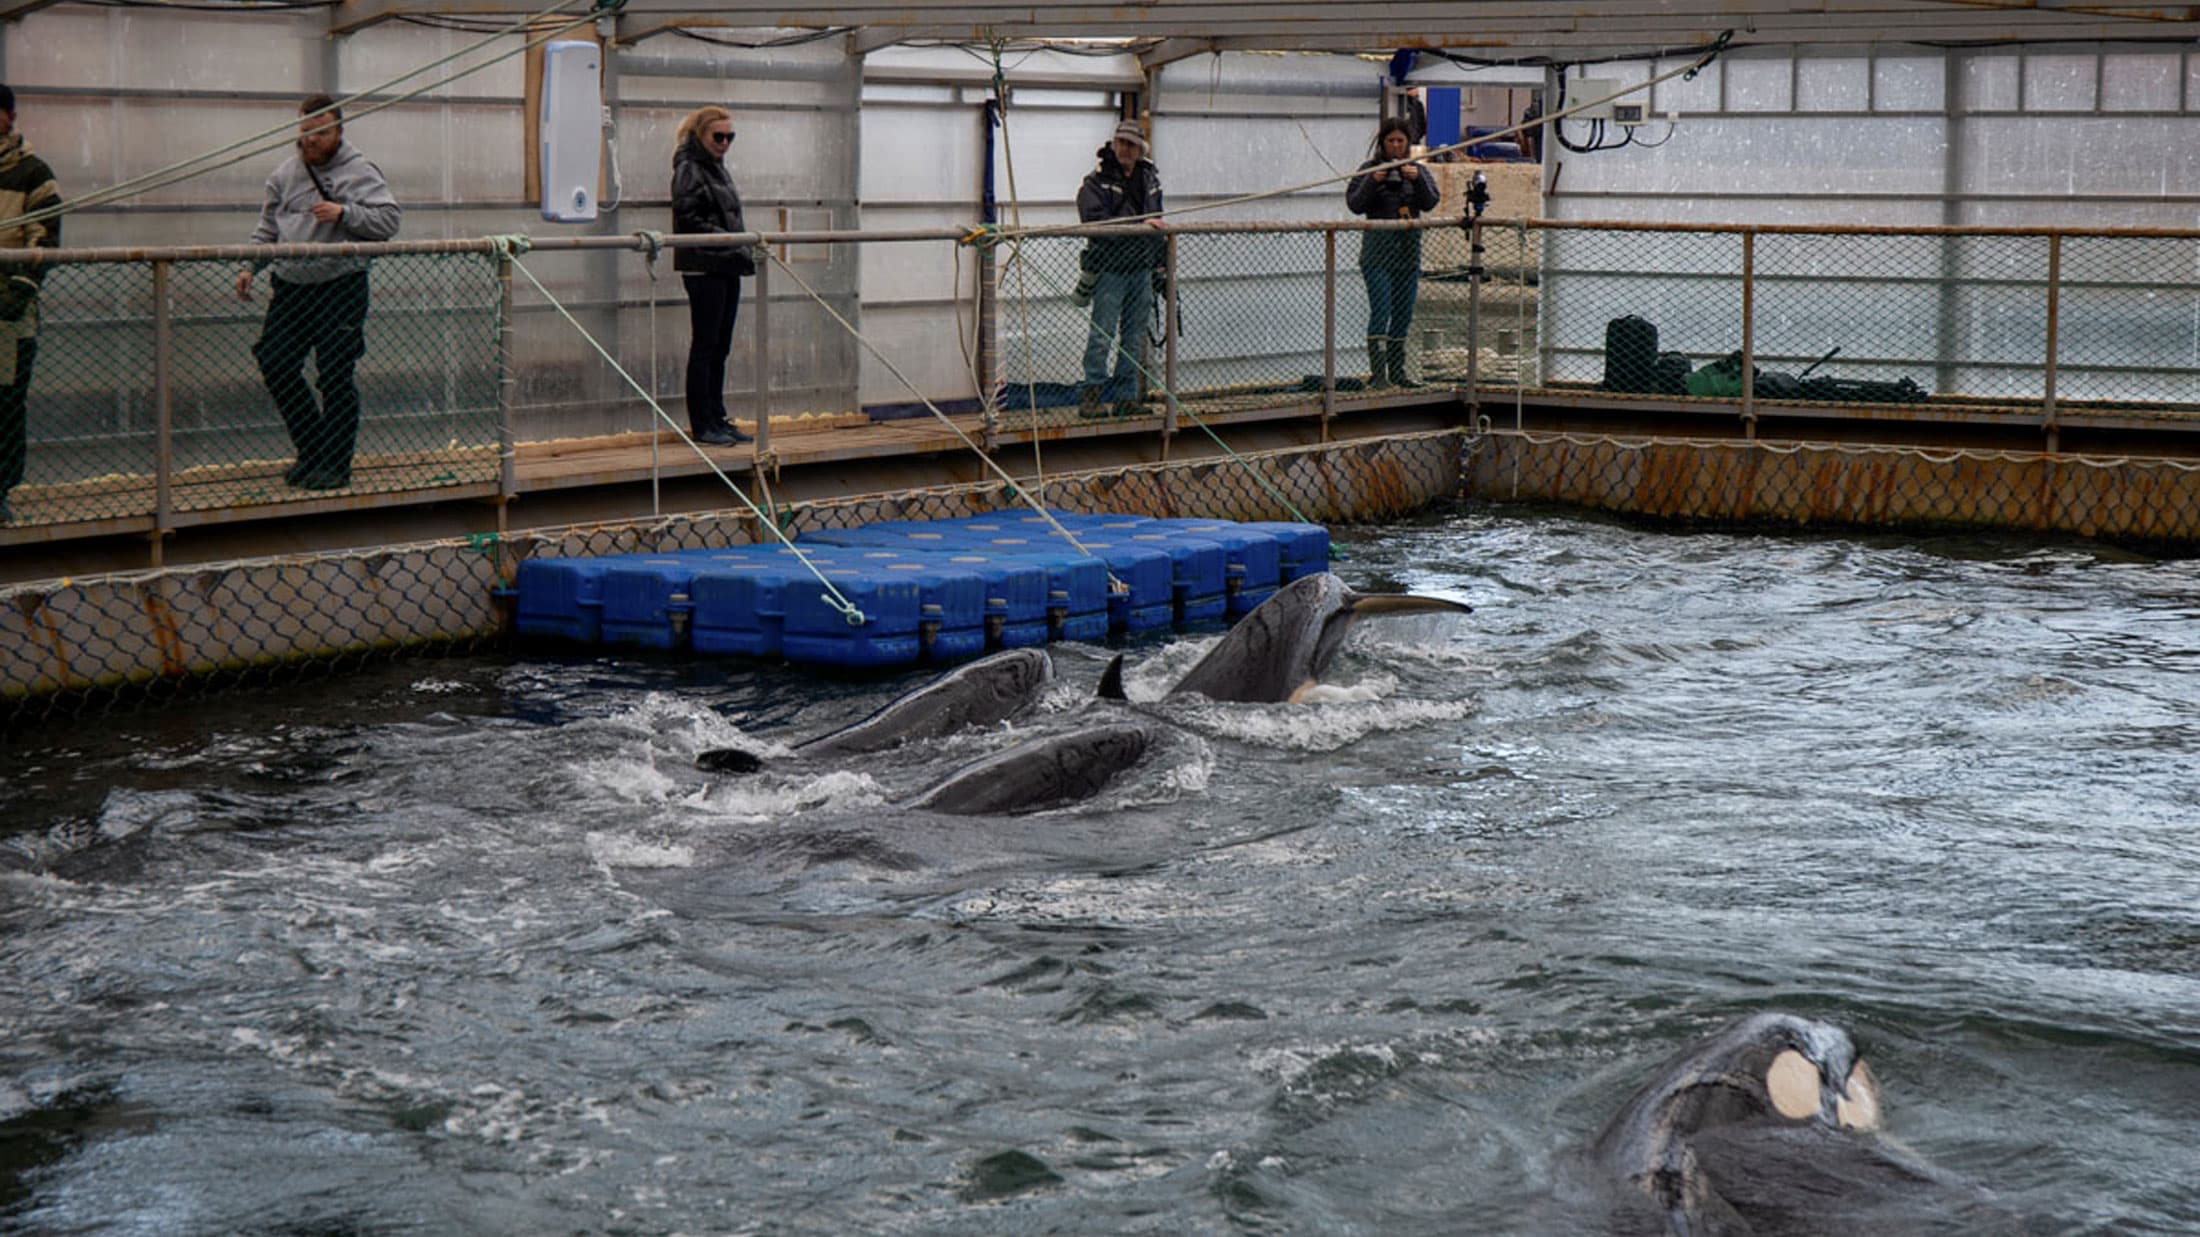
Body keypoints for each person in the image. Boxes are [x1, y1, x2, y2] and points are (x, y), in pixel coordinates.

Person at [234, 95, 401, 491]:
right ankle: (313, 451)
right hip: (291, 286)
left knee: (335, 376)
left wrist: (345, 214)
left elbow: (389, 220)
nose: (312, 139)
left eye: (321, 132)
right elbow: (268, 230)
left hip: (340, 285)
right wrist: (249, 266)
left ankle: (334, 465)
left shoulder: (360, 172)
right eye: (306, 132)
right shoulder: (283, 175)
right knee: (275, 362)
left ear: (339, 132)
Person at [671, 105, 754, 447]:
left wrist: (735, 246)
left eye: (729, 137)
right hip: (705, 265)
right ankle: (703, 423)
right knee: (706, 346)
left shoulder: (715, 168)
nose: (724, 143)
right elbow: (687, 216)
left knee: (720, 346)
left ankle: (717, 417)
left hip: (724, 262)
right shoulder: (690, 168)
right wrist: (727, 239)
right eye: (718, 136)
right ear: (700, 136)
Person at [1074, 118, 1167, 419]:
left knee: (1134, 334)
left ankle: (1126, 397)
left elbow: (1159, 220)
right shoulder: (1097, 181)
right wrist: (1139, 226)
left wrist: (1161, 265)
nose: (1124, 149)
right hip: (1111, 268)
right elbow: (1094, 220)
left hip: (1141, 266)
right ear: (1114, 144)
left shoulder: (1150, 178)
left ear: (1140, 149)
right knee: (1102, 334)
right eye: (1120, 142)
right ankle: (1092, 396)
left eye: (1131, 144)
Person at [0, 83, 61, 526]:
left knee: (5, 402)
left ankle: (0, 490)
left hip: (9, 319)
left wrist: (12, 297)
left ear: (9, 117)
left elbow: (46, 240)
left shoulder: (34, 173)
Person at [1345, 118, 1440, 389]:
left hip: (1407, 252)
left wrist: (1418, 178)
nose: (1396, 146)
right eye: (1391, 141)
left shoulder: (1418, 171)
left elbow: (1431, 201)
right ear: (1382, 143)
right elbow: (1355, 204)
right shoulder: (1369, 170)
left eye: (1401, 141)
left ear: (1408, 144)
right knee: (1381, 309)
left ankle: (1398, 372)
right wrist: (1373, 182)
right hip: (1377, 253)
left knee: (1403, 313)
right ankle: (1379, 375)